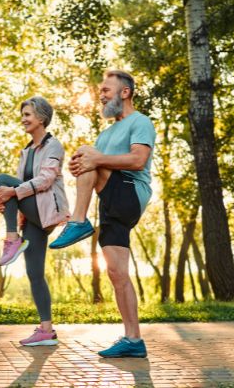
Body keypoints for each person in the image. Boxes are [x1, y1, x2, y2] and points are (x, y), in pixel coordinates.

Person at [49, 69, 156, 358]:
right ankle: (134, 340)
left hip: (131, 194)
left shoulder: (140, 121)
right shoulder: (106, 133)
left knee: (87, 153)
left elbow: (138, 159)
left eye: (107, 90)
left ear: (125, 92)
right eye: (101, 91)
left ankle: (79, 222)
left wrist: (93, 160)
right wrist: (81, 168)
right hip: (109, 204)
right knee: (117, 272)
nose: (102, 95)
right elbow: (94, 168)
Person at [0, 96, 70, 347]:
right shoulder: (25, 152)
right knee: (35, 273)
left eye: (27, 114)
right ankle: (46, 330)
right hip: (32, 217)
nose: (23, 119)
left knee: (1, 180)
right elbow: (19, 189)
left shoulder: (53, 146)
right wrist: (8, 204)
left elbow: (46, 180)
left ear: (42, 118)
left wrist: (12, 192)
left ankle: (12, 238)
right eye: (23, 115)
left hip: (46, 211)